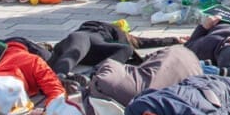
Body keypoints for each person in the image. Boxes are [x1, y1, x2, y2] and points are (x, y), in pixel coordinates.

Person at [45, 20, 185, 78]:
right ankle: (61, 75)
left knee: (74, 52)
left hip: (93, 46)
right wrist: (174, 40)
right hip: (89, 40)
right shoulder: (108, 28)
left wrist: (173, 40)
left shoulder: (117, 37)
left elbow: (140, 42)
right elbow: (141, 42)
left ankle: (82, 74)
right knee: (73, 52)